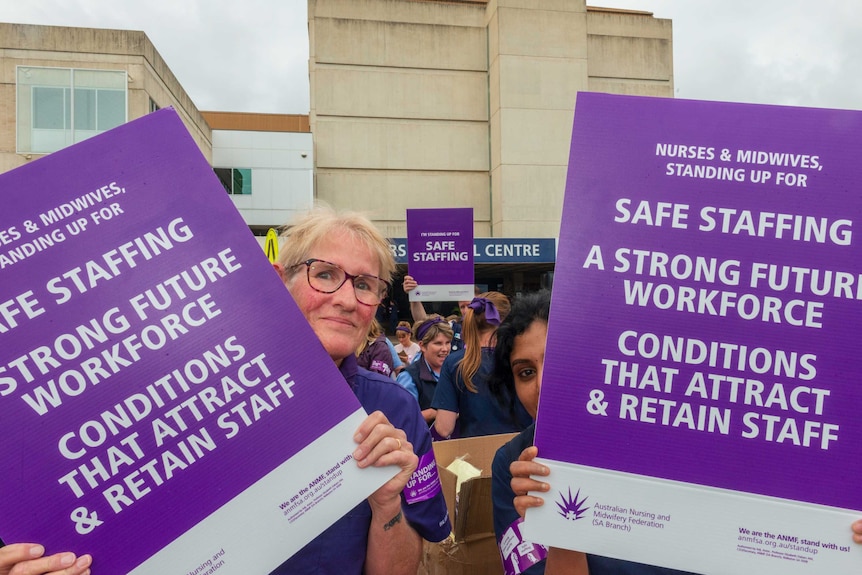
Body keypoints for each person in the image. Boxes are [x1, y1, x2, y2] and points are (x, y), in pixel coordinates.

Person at [0, 207, 451, 575]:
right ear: (280, 281)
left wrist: (387, 502)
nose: (347, 299)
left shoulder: (392, 408)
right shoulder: (183, 391)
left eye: (365, 285)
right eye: (326, 274)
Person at [488, 290, 862, 575]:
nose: (544, 383)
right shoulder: (516, 469)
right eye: (526, 372)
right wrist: (558, 526)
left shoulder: (680, 435)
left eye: (561, 358)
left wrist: (845, 538)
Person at [431, 292, 532, 439]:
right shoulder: (523, 360)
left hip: (474, 454)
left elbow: (443, 428)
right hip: (521, 450)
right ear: (508, 322)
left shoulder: (454, 363)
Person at [397, 315, 454, 425]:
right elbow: (402, 418)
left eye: (448, 342)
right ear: (422, 346)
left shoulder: (455, 371)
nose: (445, 349)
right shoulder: (409, 377)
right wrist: (434, 413)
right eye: (438, 343)